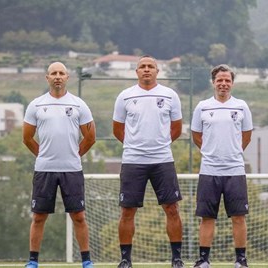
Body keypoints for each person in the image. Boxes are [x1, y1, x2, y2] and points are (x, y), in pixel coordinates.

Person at [22, 62, 96, 268]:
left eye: (61, 73)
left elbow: (90, 138)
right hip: (44, 169)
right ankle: (33, 261)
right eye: (53, 73)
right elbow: (27, 138)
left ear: (67, 77)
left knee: (79, 216)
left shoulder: (79, 104)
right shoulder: (36, 105)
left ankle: (87, 261)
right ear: (47, 78)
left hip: (72, 169)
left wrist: (75, 153)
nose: (57, 76)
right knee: (38, 217)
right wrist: (42, 154)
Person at [112, 55, 184, 268]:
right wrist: (135, 146)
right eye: (142, 67)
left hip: (162, 161)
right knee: (127, 210)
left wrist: (159, 144)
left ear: (157, 71)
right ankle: (125, 259)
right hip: (133, 161)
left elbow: (177, 128)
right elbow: (117, 129)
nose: (146, 70)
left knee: (172, 208)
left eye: (150, 66)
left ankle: (177, 258)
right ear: (136, 72)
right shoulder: (125, 96)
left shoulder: (170, 95)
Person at [191, 64, 253, 268]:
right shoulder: (202, 106)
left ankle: (241, 260)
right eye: (220, 80)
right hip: (209, 171)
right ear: (213, 82)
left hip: (235, 170)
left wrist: (233, 152)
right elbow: (196, 136)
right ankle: (204, 260)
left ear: (232, 83)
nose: (223, 84)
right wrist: (211, 152)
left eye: (227, 80)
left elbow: (246, 136)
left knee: (238, 217)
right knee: (207, 218)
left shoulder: (241, 106)